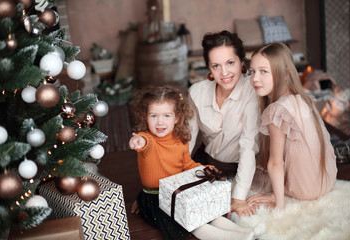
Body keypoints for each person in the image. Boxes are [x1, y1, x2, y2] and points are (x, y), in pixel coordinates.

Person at [129, 85, 261, 240]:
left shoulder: (180, 140)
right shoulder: (148, 139)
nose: (160, 122)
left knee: (206, 212)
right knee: (192, 222)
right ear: (145, 116)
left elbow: (187, 164)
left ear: (176, 117)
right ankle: (234, 238)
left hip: (179, 192)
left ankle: (246, 232)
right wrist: (137, 141)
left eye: (166, 116)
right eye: (153, 116)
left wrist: (206, 169)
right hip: (156, 199)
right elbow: (143, 141)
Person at [246, 42, 337, 210]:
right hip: (326, 180)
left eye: (263, 71)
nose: (255, 78)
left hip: (304, 189)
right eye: (252, 71)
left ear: (285, 74)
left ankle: (280, 196)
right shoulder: (303, 98)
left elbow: (276, 163)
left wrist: (278, 203)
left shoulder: (278, 110)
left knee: (257, 173)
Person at [188, 30, 261, 218]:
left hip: (242, 170)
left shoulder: (252, 92)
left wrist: (238, 198)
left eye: (230, 63)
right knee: (188, 211)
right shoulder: (197, 92)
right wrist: (165, 185)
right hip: (205, 164)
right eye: (216, 66)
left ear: (241, 62)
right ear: (209, 69)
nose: (225, 72)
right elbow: (186, 141)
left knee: (226, 215)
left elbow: (248, 146)